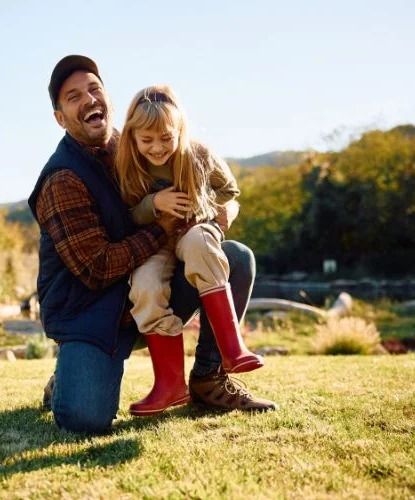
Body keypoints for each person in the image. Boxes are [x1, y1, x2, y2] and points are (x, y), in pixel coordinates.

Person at [29, 55, 277, 434]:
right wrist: (164, 225)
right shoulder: (61, 179)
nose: (89, 99)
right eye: (73, 96)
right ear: (60, 117)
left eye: (94, 88)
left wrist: (225, 208)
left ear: (109, 99)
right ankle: (70, 369)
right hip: (92, 310)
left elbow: (213, 180)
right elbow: (98, 269)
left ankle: (209, 378)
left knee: (235, 258)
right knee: (86, 418)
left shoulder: (139, 143)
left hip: (144, 286)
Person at [115, 84, 264, 417]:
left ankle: (231, 347)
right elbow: (124, 216)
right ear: (133, 136)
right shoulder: (127, 165)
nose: (157, 147)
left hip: (194, 229)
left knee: (201, 244)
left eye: (166, 138)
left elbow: (229, 191)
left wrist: (220, 212)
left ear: (179, 131)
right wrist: (153, 204)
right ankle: (170, 385)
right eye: (147, 139)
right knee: (145, 286)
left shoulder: (198, 154)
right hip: (154, 241)